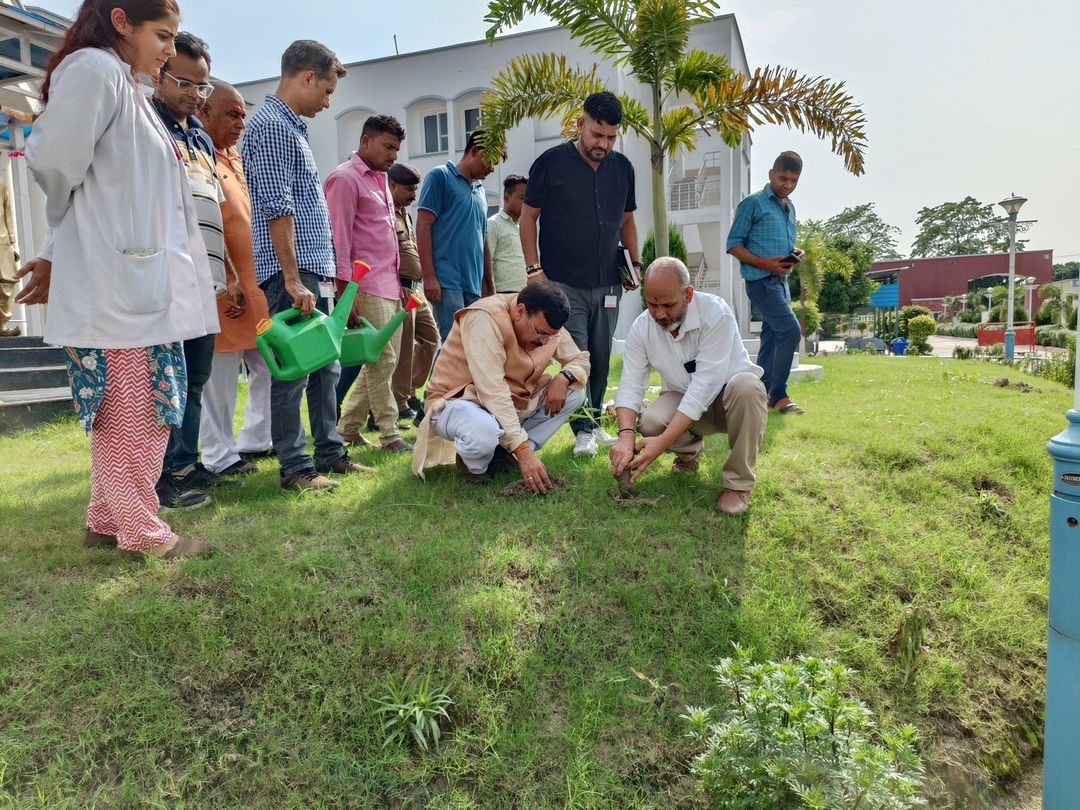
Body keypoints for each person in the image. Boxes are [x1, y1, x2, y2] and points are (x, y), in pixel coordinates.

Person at [17, 0, 217, 557]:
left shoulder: (127, 85)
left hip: (135, 279)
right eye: (162, 35)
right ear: (122, 21)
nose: (169, 50)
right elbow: (55, 165)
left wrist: (63, 249)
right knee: (131, 412)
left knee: (146, 406)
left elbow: (96, 188)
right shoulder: (95, 70)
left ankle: (105, 522)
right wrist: (76, 248)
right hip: (117, 284)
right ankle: (141, 531)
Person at [242, 40, 372, 491]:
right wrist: (294, 278)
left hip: (310, 268)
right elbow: (278, 207)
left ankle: (330, 453)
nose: (328, 101)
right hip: (290, 273)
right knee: (295, 369)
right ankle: (296, 468)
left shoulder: (291, 127)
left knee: (325, 365)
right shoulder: (273, 127)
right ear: (308, 77)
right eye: (328, 90)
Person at [520, 90, 640, 458]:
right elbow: (528, 218)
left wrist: (634, 264)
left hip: (608, 283)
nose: (603, 144)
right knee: (578, 354)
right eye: (596, 135)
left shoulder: (623, 168)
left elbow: (628, 220)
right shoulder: (550, 164)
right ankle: (583, 431)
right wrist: (534, 270)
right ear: (580, 125)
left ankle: (594, 421)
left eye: (610, 137)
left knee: (602, 357)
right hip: (562, 283)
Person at [611, 258, 767, 515]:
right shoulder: (642, 328)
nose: (660, 314)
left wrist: (662, 443)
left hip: (730, 400)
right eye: (652, 304)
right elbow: (630, 384)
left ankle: (738, 485)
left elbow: (705, 386)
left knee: (748, 387)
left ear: (688, 294)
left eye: (669, 305)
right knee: (650, 421)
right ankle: (689, 455)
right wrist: (625, 436)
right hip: (684, 398)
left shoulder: (716, 314)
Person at [151, 31, 235, 508]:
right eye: (184, 82)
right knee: (167, 378)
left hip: (205, 278)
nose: (193, 94)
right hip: (165, 275)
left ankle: (187, 462)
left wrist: (232, 275)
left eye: (201, 87)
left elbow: (214, 208)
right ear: (160, 75)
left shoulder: (201, 137)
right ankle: (161, 475)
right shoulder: (147, 125)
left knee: (196, 374)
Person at [412, 280, 590, 493]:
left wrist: (564, 377)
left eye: (551, 337)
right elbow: (493, 391)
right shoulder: (484, 317)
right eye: (540, 333)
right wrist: (523, 452)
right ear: (521, 311)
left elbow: (580, 359)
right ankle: (474, 468)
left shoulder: (546, 328)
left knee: (574, 393)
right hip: (459, 402)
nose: (545, 342)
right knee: (482, 430)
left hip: (511, 403)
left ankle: (503, 454)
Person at [196, 79, 275, 476]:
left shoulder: (236, 159)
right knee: (221, 375)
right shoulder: (198, 156)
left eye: (243, 115)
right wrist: (228, 275)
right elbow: (205, 222)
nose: (240, 123)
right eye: (232, 114)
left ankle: (257, 439)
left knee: (270, 363)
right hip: (223, 284)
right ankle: (219, 456)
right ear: (204, 112)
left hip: (258, 284)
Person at [328, 115, 413, 453]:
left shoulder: (380, 180)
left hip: (389, 284)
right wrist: (346, 293)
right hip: (364, 286)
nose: (393, 155)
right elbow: (339, 240)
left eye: (396, 148)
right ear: (366, 142)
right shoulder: (344, 179)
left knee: (379, 358)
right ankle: (390, 434)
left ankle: (347, 428)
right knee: (382, 361)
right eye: (387, 146)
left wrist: (400, 282)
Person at [726, 150, 806, 415]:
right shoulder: (753, 203)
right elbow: (733, 244)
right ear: (771, 174)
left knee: (772, 337)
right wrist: (765, 264)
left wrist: (794, 253)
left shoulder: (789, 207)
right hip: (761, 281)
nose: (788, 185)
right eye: (783, 178)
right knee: (790, 330)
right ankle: (778, 394)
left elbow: (778, 241)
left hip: (781, 281)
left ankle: (759, 391)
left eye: (794, 181)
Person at [416, 128, 500, 341]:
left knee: (472, 346)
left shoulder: (481, 191)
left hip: (473, 284)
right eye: (490, 161)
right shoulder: (440, 176)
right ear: (474, 151)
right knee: (453, 343)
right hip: (446, 281)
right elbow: (423, 225)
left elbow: (483, 239)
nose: (492, 168)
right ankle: (440, 377)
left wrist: (489, 284)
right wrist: (429, 276)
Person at [386, 163, 439, 423]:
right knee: (403, 349)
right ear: (392, 185)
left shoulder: (404, 213)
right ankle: (397, 402)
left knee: (431, 340)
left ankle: (407, 391)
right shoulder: (384, 212)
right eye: (408, 188)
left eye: (415, 189)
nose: (413, 194)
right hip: (400, 287)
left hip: (416, 289)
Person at [487, 174, 528, 294]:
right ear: (506, 198)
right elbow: (486, 263)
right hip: (502, 295)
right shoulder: (493, 224)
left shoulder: (522, 227)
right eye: (522, 198)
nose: (526, 203)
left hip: (522, 294)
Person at [0, 165, 19, 337]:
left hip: (3, 242)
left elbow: (7, 214)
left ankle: (1, 324)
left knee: (8, 282)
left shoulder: (2, 186)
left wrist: (12, 242)